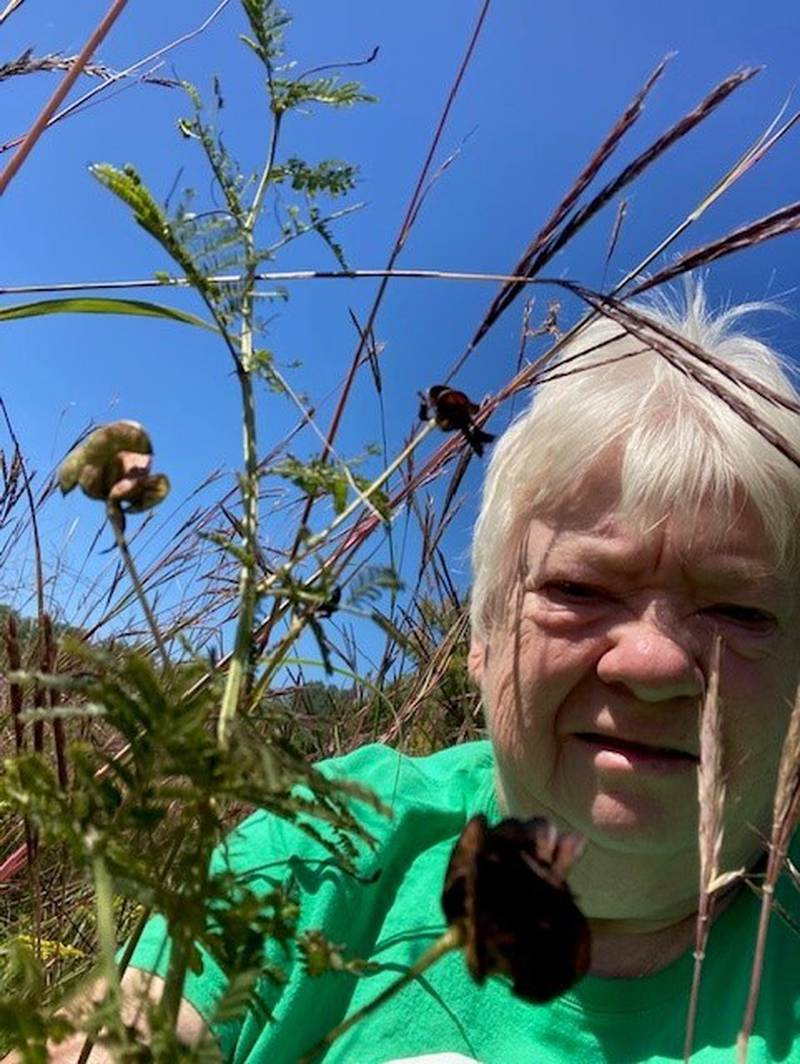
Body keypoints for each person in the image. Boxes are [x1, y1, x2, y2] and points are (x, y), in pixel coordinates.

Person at [35, 284, 800, 1062]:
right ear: (483, 634)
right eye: (579, 590)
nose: (654, 661)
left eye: (740, 612)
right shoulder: (330, 843)